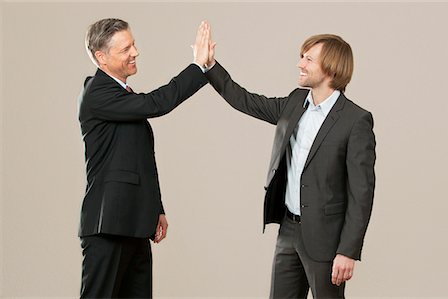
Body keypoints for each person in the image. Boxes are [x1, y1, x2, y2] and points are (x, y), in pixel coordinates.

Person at [205, 32, 376, 298]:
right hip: (288, 230)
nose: (300, 64)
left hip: (327, 240)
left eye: (308, 59)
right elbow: (245, 100)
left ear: (330, 68)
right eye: (302, 57)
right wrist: (210, 66)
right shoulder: (295, 103)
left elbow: (361, 194)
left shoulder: (356, 121)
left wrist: (348, 251)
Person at [77, 18, 211, 298]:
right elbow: (156, 103)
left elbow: (138, 159)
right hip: (108, 224)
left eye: (134, 44)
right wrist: (198, 67)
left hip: (134, 221)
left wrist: (156, 208)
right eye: (125, 49)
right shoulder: (97, 92)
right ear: (101, 57)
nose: (135, 52)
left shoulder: (120, 95)